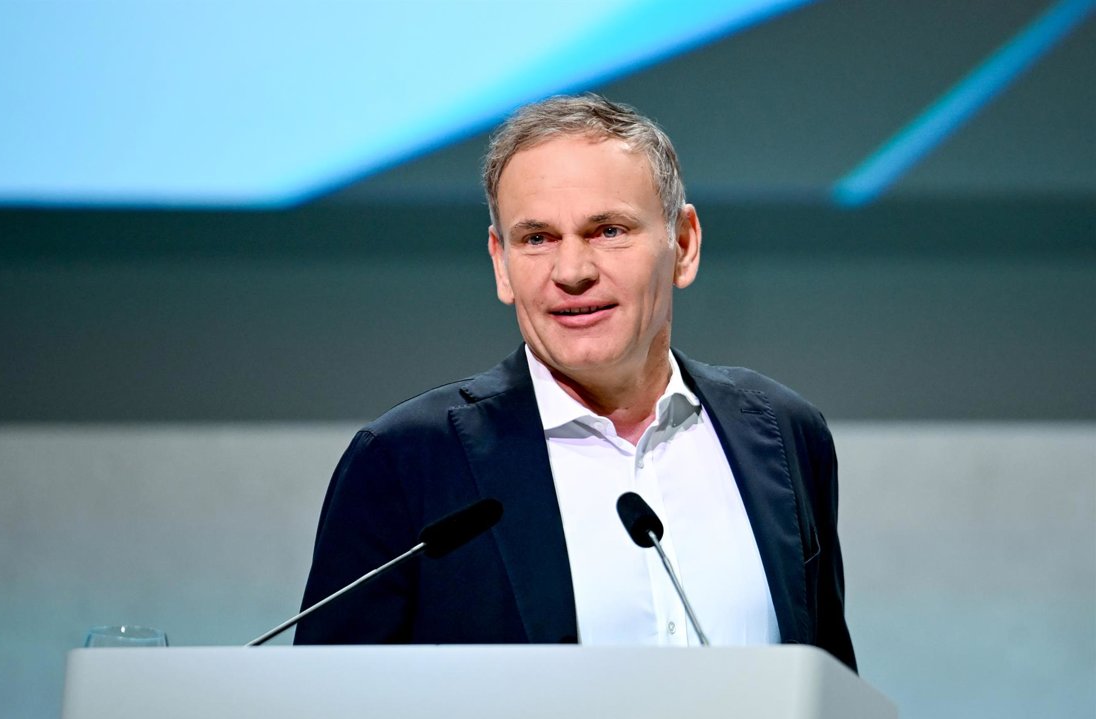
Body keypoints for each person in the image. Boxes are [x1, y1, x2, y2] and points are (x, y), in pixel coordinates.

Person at [294, 94, 855, 671]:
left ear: (683, 245)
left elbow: (827, 689)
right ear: (501, 262)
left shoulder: (783, 434)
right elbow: (329, 709)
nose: (571, 272)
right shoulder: (407, 462)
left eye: (608, 230)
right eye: (537, 239)